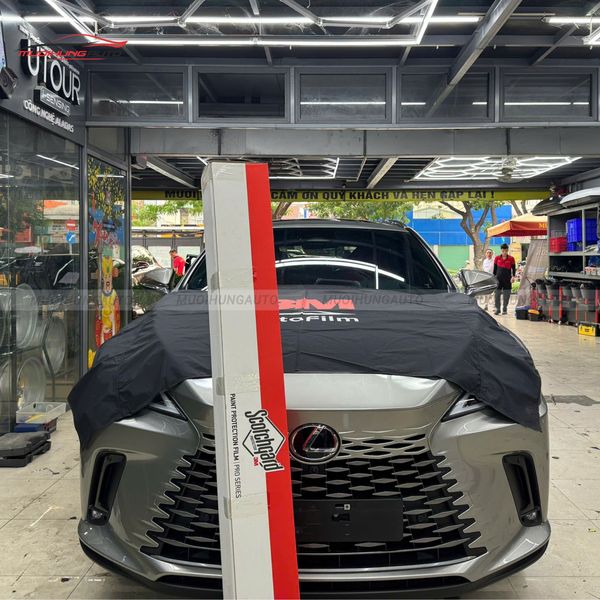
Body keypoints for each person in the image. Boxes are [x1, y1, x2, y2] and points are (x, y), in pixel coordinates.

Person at [493, 243, 516, 316]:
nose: (504, 252)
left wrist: (513, 277)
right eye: (503, 251)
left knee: (506, 295)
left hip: (507, 279)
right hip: (498, 279)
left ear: (507, 250)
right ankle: (498, 309)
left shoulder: (511, 258)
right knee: (497, 295)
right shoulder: (497, 258)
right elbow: (495, 269)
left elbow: (513, 269)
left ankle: (504, 308)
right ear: (501, 250)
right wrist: (494, 278)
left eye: (505, 251)